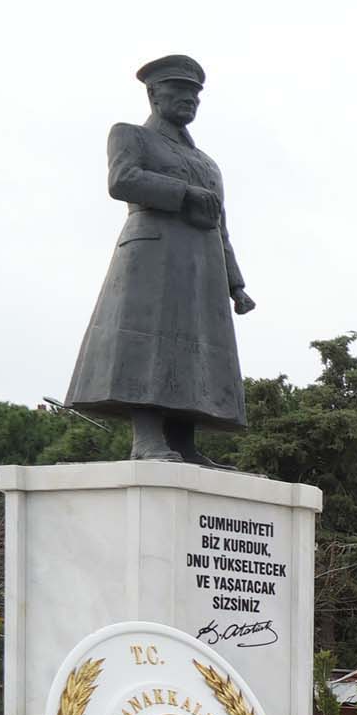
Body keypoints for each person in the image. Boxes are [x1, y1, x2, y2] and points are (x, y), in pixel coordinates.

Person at [66, 56, 257, 462]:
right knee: (149, 345)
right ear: (154, 94)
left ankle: (184, 442)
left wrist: (235, 283)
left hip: (201, 263)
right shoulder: (131, 135)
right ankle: (147, 440)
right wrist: (184, 193)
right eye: (178, 91)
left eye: (194, 95)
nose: (189, 100)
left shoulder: (207, 162)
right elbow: (122, 180)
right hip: (152, 254)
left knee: (194, 348)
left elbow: (220, 224)